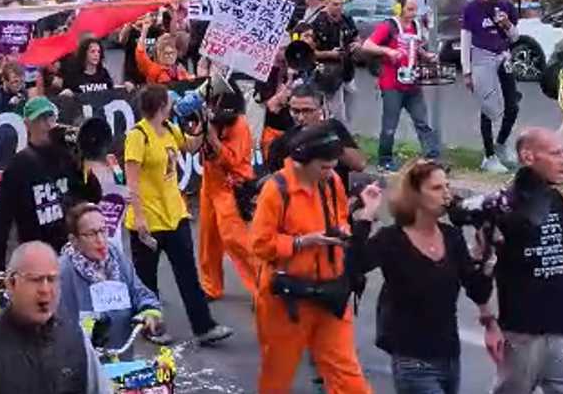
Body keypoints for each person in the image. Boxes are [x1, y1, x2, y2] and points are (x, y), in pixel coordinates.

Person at [352, 159, 495, 394]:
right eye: (437, 188)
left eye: (447, 186)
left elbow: (477, 290)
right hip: (412, 361)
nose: (447, 194)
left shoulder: (451, 237)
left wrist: (486, 258)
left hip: (449, 358)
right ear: (415, 195)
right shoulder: (393, 240)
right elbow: (354, 263)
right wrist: (367, 215)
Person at [251, 122, 370, 394]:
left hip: (330, 295)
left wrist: (352, 225)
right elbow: (260, 244)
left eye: (332, 166)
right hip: (287, 301)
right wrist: (304, 241)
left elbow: (340, 218)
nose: (330, 173)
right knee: (276, 379)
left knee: (348, 377)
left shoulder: (332, 182)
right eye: (324, 167)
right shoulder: (276, 189)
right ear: (302, 162)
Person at [483, 128, 563, 394]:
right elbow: (482, 267)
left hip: (562, 328)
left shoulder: (554, 198)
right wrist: (488, 322)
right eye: (556, 153)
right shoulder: (503, 205)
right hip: (521, 335)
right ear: (528, 156)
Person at [123, 84, 231, 344]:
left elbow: (191, 146)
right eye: (169, 103)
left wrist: (204, 121)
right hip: (148, 218)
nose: (172, 106)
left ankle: (204, 326)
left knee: (188, 275)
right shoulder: (138, 136)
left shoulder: (170, 129)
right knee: (147, 280)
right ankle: (151, 327)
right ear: (161, 106)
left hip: (175, 215)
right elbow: (132, 182)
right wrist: (138, 218)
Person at [0, 241, 112, 394]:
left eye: (52, 279)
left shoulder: (77, 340)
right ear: (10, 284)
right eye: (35, 280)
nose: (45, 289)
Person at [57, 203, 165, 356]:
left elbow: (140, 293)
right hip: (84, 363)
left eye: (103, 230)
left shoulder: (116, 258)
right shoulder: (63, 272)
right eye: (91, 234)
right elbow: (54, 324)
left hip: (122, 357)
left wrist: (149, 313)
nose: (101, 240)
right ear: (74, 240)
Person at [0, 96, 83, 270]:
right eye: (40, 119)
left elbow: (91, 197)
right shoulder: (18, 166)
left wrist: (85, 161)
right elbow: (2, 222)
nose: (47, 124)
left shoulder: (67, 157)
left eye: (50, 118)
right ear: (27, 124)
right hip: (38, 253)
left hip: (70, 251)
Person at [361, 0, 441, 171]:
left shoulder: (416, 26)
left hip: (412, 83)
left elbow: (416, 47)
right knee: (390, 124)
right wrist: (388, 52)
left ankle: (432, 157)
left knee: (422, 121)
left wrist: (427, 56)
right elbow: (367, 45)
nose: (413, 13)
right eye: (409, 9)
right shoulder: (388, 26)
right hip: (391, 84)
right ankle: (384, 159)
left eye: (415, 10)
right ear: (400, 8)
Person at [197, 88, 257, 300]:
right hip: (210, 184)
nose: (212, 109)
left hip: (232, 186)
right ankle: (210, 286)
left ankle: (263, 288)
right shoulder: (209, 120)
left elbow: (231, 160)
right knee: (208, 239)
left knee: (236, 241)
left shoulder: (239, 125)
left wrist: (213, 138)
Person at [461, 0, 522, 173]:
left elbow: (514, 38)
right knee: (487, 106)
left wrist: (507, 24)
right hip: (481, 58)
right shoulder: (472, 9)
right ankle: (489, 156)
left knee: (512, 105)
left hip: (503, 56)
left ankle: (501, 144)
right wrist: (467, 72)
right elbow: (465, 41)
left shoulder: (507, 7)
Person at [307, 0, 360, 123]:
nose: (339, 7)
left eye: (341, 4)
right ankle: (337, 133)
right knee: (337, 108)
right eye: (335, 4)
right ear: (326, 3)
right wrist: (330, 53)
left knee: (352, 96)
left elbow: (356, 36)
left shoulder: (346, 18)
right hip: (328, 70)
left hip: (347, 68)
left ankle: (348, 131)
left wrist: (357, 44)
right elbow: (309, 52)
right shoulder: (317, 22)